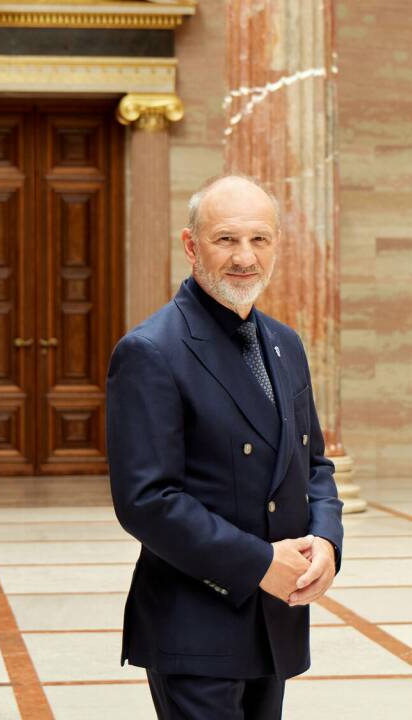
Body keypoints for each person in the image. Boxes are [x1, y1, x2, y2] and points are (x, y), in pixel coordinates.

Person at [106, 174, 344, 719]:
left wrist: (328, 541)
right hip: (195, 623)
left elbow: (313, 463)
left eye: (259, 240)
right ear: (191, 246)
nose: (245, 257)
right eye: (226, 239)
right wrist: (259, 561)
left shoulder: (285, 343)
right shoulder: (151, 350)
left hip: (274, 619)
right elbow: (147, 500)